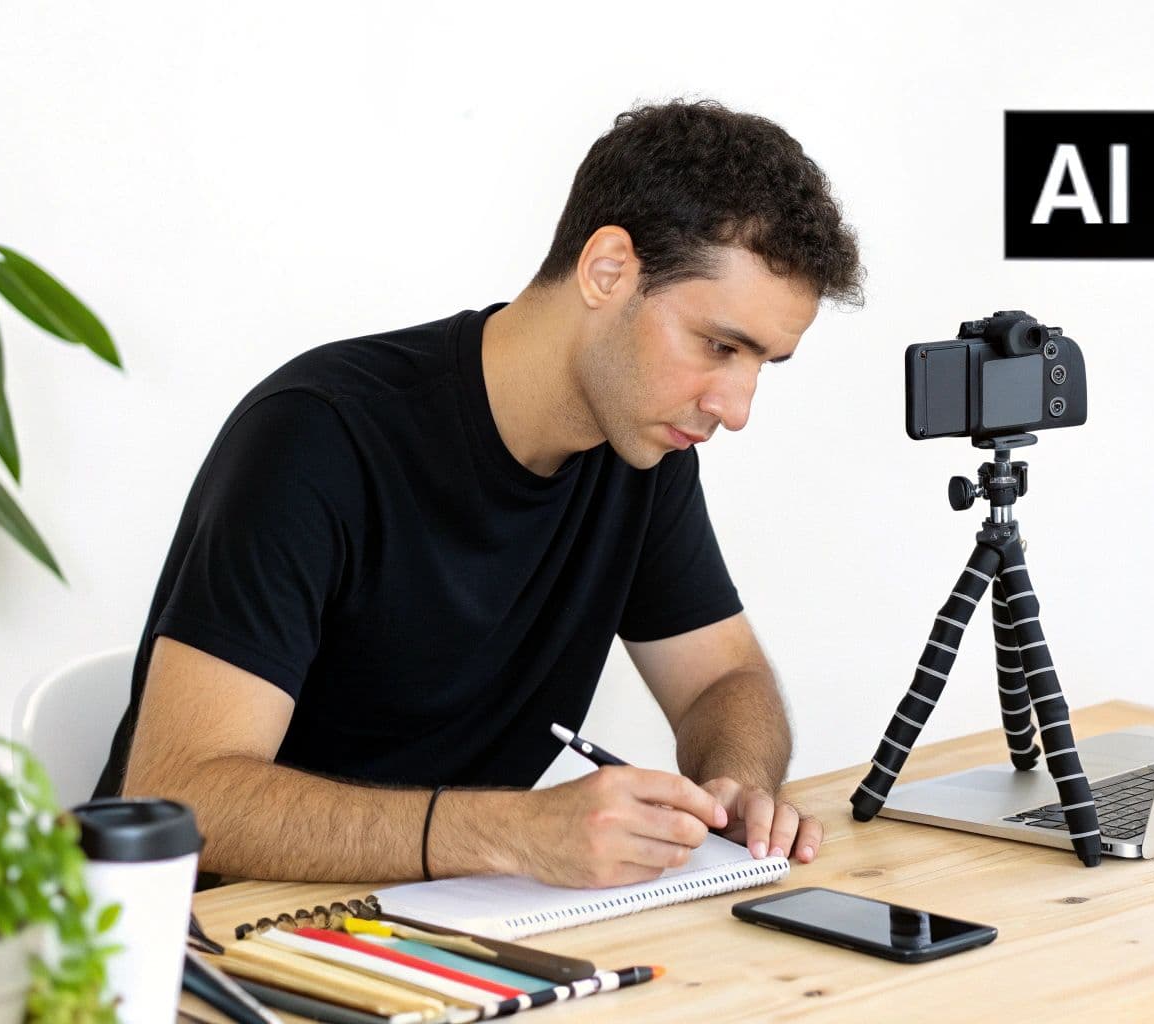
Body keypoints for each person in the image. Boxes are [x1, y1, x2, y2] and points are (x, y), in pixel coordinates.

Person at [97, 99, 865, 887]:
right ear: (608, 271)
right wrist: (512, 833)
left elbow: (721, 680)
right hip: (214, 945)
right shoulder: (319, 436)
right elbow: (179, 799)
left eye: (761, 363)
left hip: (446, 934)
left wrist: (732, 784)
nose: (735, 410)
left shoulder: (644, 453)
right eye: (718, 346)